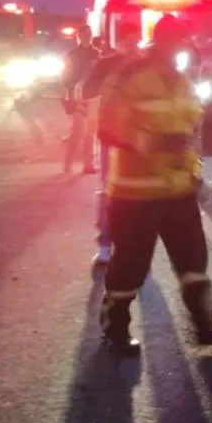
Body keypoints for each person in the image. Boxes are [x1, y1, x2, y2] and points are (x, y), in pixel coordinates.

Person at [96, 14, 212, 355]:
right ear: (159, 41)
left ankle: (204, 324)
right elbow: (106, 126)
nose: (180, 47)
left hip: (177, 190)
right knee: (132, 263)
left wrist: (196, 175)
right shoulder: (129, 75)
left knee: (193, 258)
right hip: (134, 192)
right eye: (174, 40)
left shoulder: (182, 81)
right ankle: (115, 325)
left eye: (183, 41)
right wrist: (153, 143)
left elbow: (189, 135)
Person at [75, 22, 142, 266]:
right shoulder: (105, 64)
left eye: (137, 41)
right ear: (120, 42)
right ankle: (105, 243)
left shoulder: (146, 66)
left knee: (136, 192)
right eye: (130, 41)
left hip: (137, 140)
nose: (134, 46)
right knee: (108, 190)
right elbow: (86, 91)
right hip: (110, 136)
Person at [61, 25, 100, 174]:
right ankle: (68, 162)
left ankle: (88, 165)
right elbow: (66, 77)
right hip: (77, 97)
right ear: (79, 36)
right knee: (77, 132)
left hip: (93, 97)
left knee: (90, 132)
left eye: (89, 34)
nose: (87, 36)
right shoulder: (72, 55)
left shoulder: (97, 54)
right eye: (84, 34)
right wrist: (69, 95)